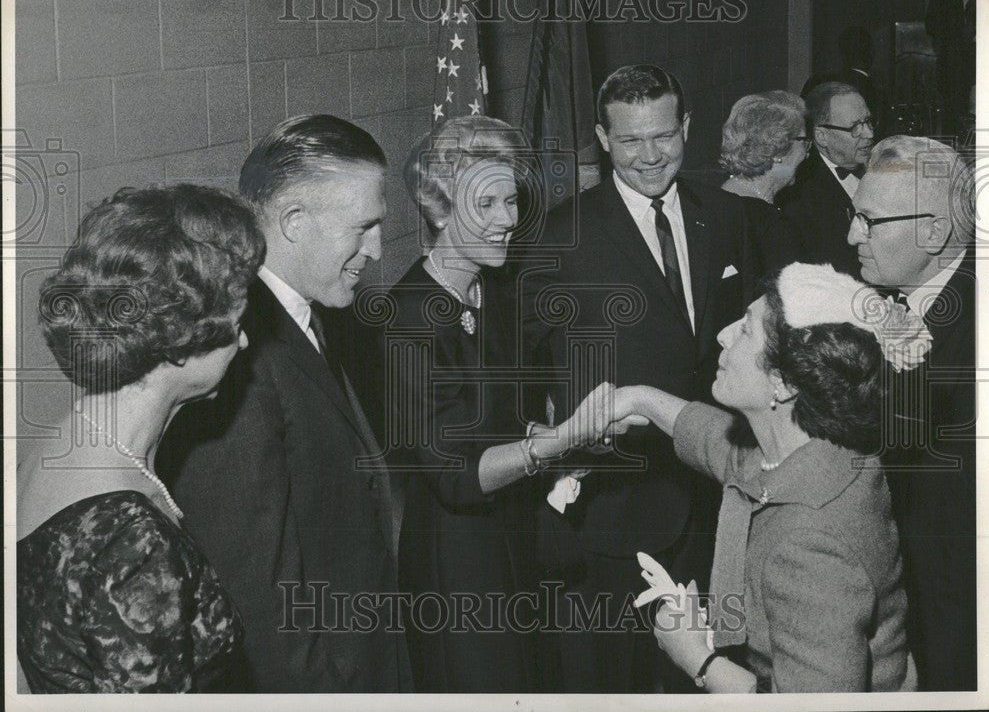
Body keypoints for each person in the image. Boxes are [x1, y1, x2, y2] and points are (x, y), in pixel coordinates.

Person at [518, 65, 766, 692]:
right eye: (630, 141)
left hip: (720, 503)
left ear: (687, 127)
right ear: (602, 138)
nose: (650, 156)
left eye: (664, 136)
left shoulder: (730, 215)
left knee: (710, 673)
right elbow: (519, 367)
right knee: (616, 686)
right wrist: (553, 452)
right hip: (614, 515)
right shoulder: (559, 234)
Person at [157, 115, 410, 692]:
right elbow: (256, 591)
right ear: (294, 222)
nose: (376, 249)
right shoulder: (235, 353)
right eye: (363, 227)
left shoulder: (312, 316)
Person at [383, 117, 633, 692]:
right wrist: (561, 439)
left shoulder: (490, 291)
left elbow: (496, 416)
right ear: (440, 210)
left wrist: (573, 440)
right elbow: (455, 477)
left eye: (511, 199)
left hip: (514, 538)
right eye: (486, 203)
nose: (508, 220)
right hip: (459, 564)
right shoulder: (409, 317)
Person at [614, 262, 923, 692]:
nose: (723, 335)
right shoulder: (818, 451)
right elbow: (720, 447)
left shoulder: (810, 546)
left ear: (782, 383)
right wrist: (639, 400)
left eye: (744, 329)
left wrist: (696, 658)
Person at [18, 184, 265, 692]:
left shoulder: (58, 448)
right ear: (177, 342)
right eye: (236, 325)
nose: (243, 342)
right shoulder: (129, 540)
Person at [848, 135, 976, 690]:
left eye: (868, 220)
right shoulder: (907, 299)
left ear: (933, 231)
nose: (852, 234)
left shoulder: (977, 335)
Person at [776, 81, 874, 279]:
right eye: (855, 127)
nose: (869, 134)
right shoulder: (798, 194)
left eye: (868, 122)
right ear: (822, 136)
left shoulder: (883, 169)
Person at [718, 90, 808, 272]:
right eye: (804, 141)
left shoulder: (718, 200)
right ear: (778, 149)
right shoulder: (774, 227)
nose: (807, 153)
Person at [925, 0, 975, 136]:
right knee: (952, 120)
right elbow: (931, 24)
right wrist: (957, 34)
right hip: (953, 66)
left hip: (985, 63)